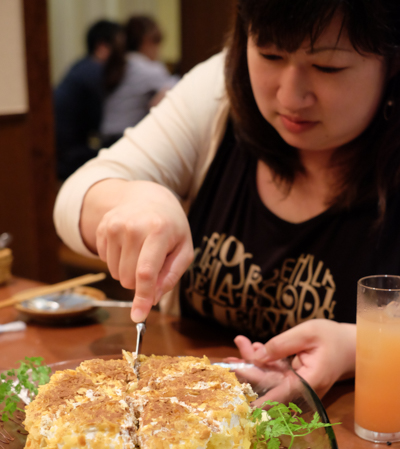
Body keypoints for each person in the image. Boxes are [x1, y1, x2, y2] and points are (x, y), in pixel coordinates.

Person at [54, 0, 400, 400]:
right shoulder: (218, 92)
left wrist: (359, 347)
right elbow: (75, 196)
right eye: (269, 54)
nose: (290, 96)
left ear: (390, 62)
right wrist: (137, 198)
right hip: (188, 418)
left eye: (328, 67)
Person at [54, 19, 125, 181]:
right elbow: (98, 124)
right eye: (120, 47)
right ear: (102, 47)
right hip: (68, 156)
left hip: (60, 151)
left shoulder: (81, 66)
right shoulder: (94, 72)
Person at [100, 15, 179, 146]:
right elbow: (164, 101)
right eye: (158, 43)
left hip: (107, 140)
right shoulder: (149, 69)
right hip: (127, 141)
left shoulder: (119, 63)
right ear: (147, 41)